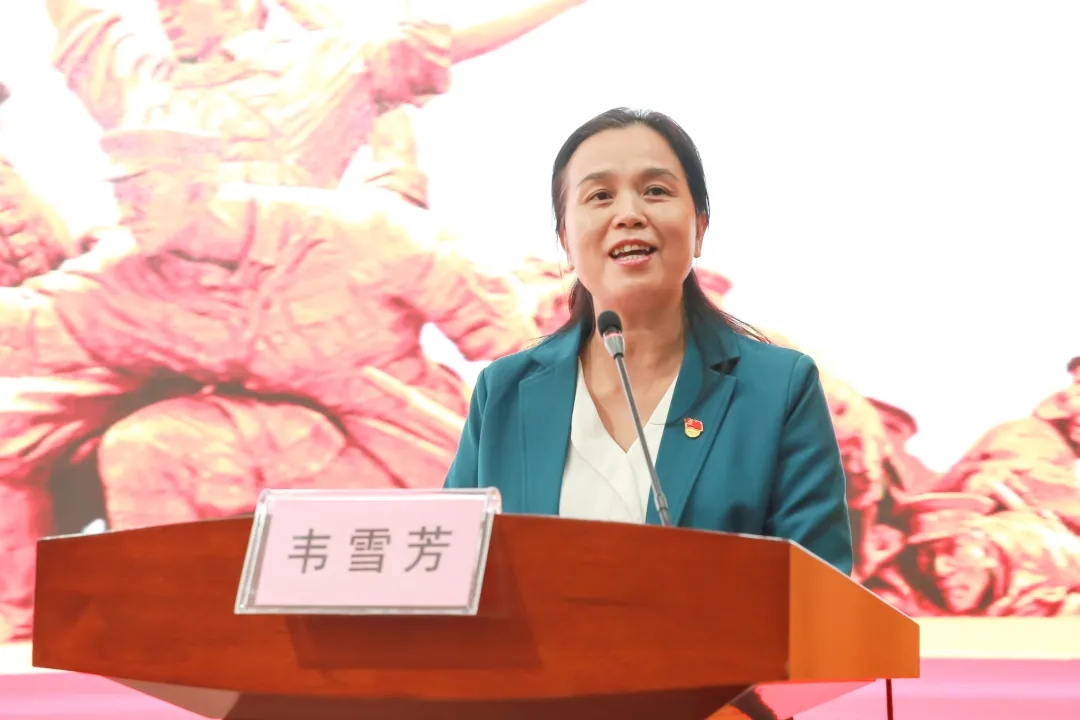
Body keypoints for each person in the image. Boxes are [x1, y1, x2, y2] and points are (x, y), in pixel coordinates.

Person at [444, 107, 853, 577]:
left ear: (699, 228)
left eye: (655, 191)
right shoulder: (505, 393)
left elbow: (817, 595)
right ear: (565, 239)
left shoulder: (778, 391)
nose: (629, 215)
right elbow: (449, 576)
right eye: (600, 196)